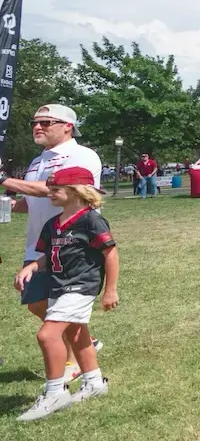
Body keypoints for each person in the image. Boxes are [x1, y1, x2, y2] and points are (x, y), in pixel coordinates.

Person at [1, 105, 105, 385]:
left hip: (72, 243)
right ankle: (85, 342)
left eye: (46, 122)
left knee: (59, 306)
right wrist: (10, 204)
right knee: (35, 301)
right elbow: (33, 200)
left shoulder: (82, 156)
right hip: (39, 243)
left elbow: (54, 191)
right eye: (34, 122)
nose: (38, 127)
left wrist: (5, 179)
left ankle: (75, 363)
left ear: (67, 126)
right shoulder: (37, 162)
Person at [12, 166, 119, 420]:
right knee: (76, 332)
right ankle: (94, 383)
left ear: (75, 191)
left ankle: (55, 392)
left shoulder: (91, 220)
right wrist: (32, 267)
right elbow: (48, 256)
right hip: (59, 286)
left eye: (56, 189)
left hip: (81, 286)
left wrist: (110, 290)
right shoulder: (53, 224)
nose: (49, 193)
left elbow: (110, 253)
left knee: (47, 335)